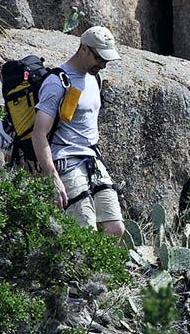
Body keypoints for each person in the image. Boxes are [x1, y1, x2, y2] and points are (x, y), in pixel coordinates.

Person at [32, 26, 125, 240]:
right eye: (99, 58)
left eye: (106, 60)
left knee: (115, 229)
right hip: (65, 161)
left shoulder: (95, 79)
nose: (102, 65)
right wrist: (52, 178)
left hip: (92, 160)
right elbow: (39, 135)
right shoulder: (57, 82)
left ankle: (104, 273)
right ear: (83, 48)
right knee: (84, 232)